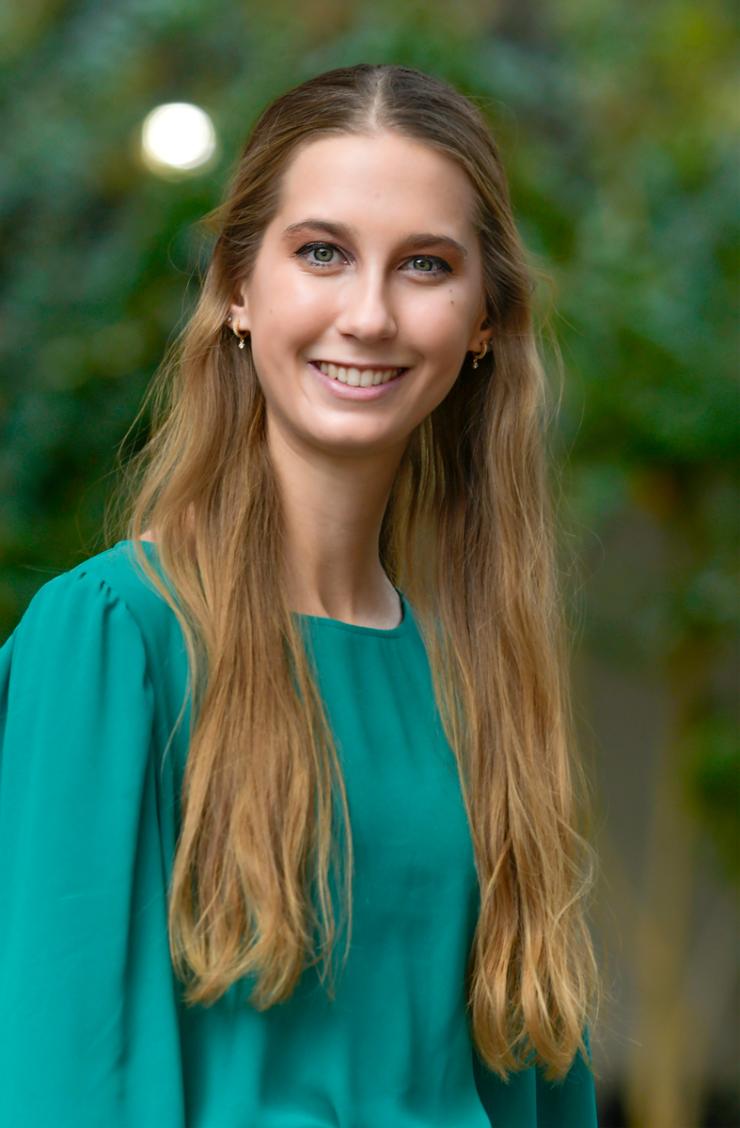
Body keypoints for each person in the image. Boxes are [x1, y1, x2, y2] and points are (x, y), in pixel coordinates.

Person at [0, 63, 601, 1126]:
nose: (366, 315)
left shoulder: (480, 681)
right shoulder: (111, 644)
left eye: (424, 264)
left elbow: (535, 1078)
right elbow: (62, 1088)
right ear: (237, 288)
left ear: (480, 324)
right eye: (321, 252)